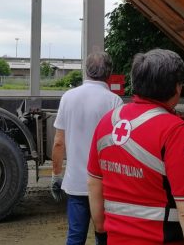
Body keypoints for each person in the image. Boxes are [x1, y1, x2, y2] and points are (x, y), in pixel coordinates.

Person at [87, 49, 184, 245]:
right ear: (176, 87)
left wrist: (101, 232)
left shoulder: (107, 122)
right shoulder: (174, 130)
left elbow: (94, 184)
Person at [52, 51, 123, 245]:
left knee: (75, 237)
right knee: (104, 236)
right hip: (104, 185)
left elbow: (59, 142)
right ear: (109, 73)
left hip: (75, 184)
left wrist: (56, 175)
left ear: (86, 71)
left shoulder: (68, 97)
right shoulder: (114, 101)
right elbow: (118, 146)